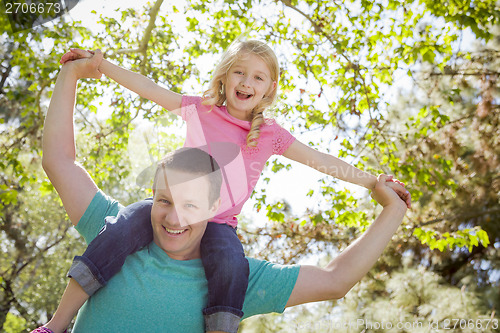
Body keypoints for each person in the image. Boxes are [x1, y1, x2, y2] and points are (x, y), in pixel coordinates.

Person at [34, 41, 411, 333]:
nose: (246, 82)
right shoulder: (201, 109)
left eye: (258, 77)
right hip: (161, 204)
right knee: (115, 232)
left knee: (230, 267)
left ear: (269, 89)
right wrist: (98, 66)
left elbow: (320, 159)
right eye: (239, 73)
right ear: (224, 77)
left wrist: (372, 182)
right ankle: (56, 324)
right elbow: (149, 88)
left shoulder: (269, 135)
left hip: (220, 226)